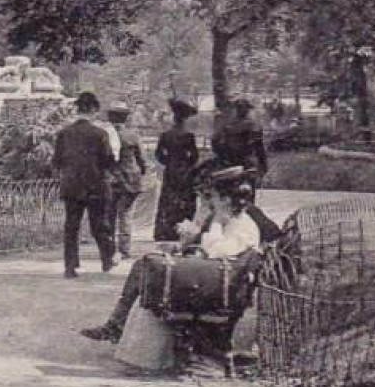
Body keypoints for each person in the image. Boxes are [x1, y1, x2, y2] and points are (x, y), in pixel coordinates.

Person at [80, 171, 263, 343]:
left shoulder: (242, 226)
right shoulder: (232, 221)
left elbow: (216, 252)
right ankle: (116, 325)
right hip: (212, 279)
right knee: (144, 265)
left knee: (146, 267)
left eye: (214, 197)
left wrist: (213, 225)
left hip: (216, 286)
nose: (211, 203)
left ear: (226, 200)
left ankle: (117, 326)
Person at [52, 92, 117, 278]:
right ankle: (106, 259)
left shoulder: (64, 133)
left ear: (78, 109)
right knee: (98, 224)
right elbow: (108, 161)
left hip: (71, 186)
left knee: (71, 226)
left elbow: (56, 160)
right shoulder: (100, 134)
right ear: (93, 110)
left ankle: (70, 266)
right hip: (95, 186)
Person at [154, 99, 202, 241]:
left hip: (171, 170)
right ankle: (183, 227)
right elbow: (194, 155)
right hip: (185, 171)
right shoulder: (188, 136)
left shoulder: (166, 135)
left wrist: (168, 161)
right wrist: (187, 163)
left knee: (169, 199)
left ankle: (166, 230)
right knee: (185, 200)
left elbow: (158, 154)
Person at [106, 101, 147, 260]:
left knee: (109, 214)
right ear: (126, 117)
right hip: (131, 179)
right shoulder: (133, 135)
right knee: (126, 214)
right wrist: (141, 173)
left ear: (110, 118)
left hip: (111, 179)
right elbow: (142, 159)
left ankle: (109, 248)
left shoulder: (105, 135)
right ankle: (124, 249)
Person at [212, 98, 269, 183]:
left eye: (243, 107)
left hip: (244, 154)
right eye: (239, 107)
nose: (242, 110)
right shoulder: (228, 123)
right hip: (229, 155)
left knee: (257, 146)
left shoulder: (251, 123)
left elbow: (257, 142)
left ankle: (262, 169)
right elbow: (216, 139)